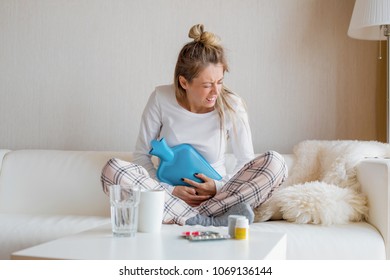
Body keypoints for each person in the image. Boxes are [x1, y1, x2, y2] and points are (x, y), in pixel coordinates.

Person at [101, 24, 287, 226]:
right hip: (171, 198)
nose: (215, 92)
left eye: (220, 82)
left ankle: (194, 217)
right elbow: (141, 156)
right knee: (113, 169)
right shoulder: (160, 99)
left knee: (275, 162)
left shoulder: (232, 105)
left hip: (220, 196)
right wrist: (169, 190)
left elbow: (245, 160)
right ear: (184, 82)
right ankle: (204, 218)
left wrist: (217, 187)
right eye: (207, 85)